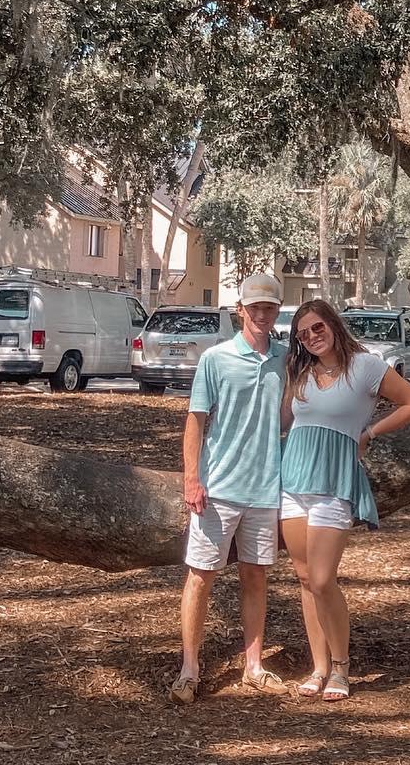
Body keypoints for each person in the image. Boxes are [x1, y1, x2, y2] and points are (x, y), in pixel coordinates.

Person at [280, 299, 410, 702]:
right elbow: (285, 421)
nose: (312, 337)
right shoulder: (301, 371)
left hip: (334, 484)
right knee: (305, 579)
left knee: (323, 579)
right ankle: (318, 667)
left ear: (333, 324)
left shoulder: (365, 366)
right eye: (303, 334)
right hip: (291, 483)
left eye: (317, 328)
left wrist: (370, 433)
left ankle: (341, 666)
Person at [170, 273, 288, 705]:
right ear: (240, 310)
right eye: (254, 307)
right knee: (201, 577)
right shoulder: (215, 359)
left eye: (269, 308)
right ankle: (189, 669)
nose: (261, 315)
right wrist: (192, 478)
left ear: (277, 311)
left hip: (265, 489)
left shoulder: (286, 359)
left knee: (255, 576)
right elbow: (196, 421)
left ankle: (254, 666)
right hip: (218, 489)